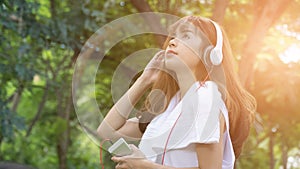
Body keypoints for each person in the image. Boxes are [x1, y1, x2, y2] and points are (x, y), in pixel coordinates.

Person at [97, 15, 256, 169]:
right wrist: (144, 80)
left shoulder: (206, 98)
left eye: (186, 36)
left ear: (209, 54)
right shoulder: (167, 107)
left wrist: (145, 166)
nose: (172, 42)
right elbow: (106, 131)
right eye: (173, 36)